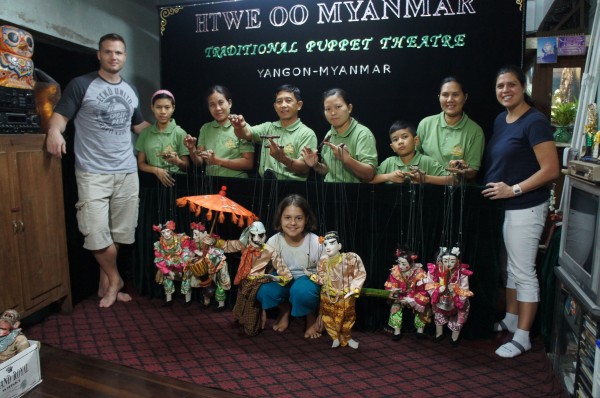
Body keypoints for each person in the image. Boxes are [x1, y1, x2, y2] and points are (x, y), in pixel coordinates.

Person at [45, 33, 150, 308]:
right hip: (93, 172)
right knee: (94, 232)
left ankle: (106, 284)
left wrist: (171, 133)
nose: (113, 57)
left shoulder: (131, 90)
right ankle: (116, 280)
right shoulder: (81, 85)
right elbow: (59, 119)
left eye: (118, 53)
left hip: (127, 171)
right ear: (99, 55)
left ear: (124, 57)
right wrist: (54, 132)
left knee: (121, 233)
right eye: (108, 52)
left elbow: (140, 127)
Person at [483, 65, 559, 358]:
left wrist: (512, 189)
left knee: (524, 272)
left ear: (523, 86)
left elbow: (551, 169)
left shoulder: (535, 121)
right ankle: (513, 320)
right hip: (506, 208)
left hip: (526, 207)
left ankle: (524, 336)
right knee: (511, 270)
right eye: (500, 86)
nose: (505, 91)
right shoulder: (502, 119)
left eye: (511, 85)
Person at [256, 194, 323, 338]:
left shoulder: (316, 242)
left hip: (307, 281)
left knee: (301, 291)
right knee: (263, 289)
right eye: (287, 217)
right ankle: (285, 309)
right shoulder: (274, 241)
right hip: (283, 279)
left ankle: (310, 316)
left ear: (306, 220)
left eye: (298, 218)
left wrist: (322, 313)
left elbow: (326, 274)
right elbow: (262, 270)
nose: (293, 223)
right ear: (280, 219)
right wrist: (261, 309)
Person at [229, 84, 317, 181]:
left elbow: (305, 168)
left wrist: (283, 158)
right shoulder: (267, 127)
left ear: (299, 105)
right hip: (265, 186)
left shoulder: (306, 133)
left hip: (292, 189)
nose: (283, 105)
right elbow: (246, 133)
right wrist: (239, 127)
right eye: (279, 101)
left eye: (288, 100)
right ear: (275, 107)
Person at [219, 221, 292, 336]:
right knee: (242, 298)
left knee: (252, 305)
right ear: (249, 235)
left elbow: (285, 272)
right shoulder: (244, 245)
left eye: (261, 235)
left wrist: (275, 278)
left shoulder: (270, 250)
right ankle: (244, 319)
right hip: (245, 279)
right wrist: (213, 241)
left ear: (265, 235)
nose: (257, 238)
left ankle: (253, 324)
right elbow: (227, 245)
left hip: (259, 280)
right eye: (253, 235)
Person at [301, 88, 378, 182]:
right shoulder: (329, 134)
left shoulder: (363, 134)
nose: (333, 113)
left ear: (349, 108)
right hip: (329, 192)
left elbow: (369, 175)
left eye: (338, 107)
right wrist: (315, 165)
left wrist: (347, 159)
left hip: (355, 194)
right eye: (328, 109)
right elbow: (328, 171)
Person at [416, 77, 485, 180]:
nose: (450, 100)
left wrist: (462, 171)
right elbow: (413, 157)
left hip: (456, 192)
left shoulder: (475, 131)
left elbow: (472, 172)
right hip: (424, 190)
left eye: (455, 95)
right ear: (439, 97)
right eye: (445, 95)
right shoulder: (425, 124)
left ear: (465, 97)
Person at [309, 231, 366, 349]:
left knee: (347, 318)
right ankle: (335, 337)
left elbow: (360, 273)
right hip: (327, 295)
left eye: (332, 243)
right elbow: (322, 279)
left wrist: (354, 289)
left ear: (339, 245)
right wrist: (311, 275)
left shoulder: (350, 258)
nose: (328, 247)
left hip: (345, 295)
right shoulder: (323, 261)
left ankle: (348, 338)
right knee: (328, 318)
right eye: (325, 244)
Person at [183, 85, 254, 178]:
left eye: (221, 103)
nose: (217, 108)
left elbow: (248, 163)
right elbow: (199, 162)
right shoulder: (205, 128)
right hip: (210, 183)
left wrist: (217, 161)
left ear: (229, 103)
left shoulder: (241, 126)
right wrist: (192, 149)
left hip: (237, 183)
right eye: (212, 105)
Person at [370, 120, 454, 185]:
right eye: (395, 139)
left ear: (416, 141)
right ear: (392, 147)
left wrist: (425, 178)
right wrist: (388, 177)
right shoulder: (388, 163)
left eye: (405, 137)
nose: (400, 142)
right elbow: (369, 179)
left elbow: (453, 180)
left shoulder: (426, 161)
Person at [136, 90, 189, 187]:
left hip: (175, 183)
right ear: (152, 107)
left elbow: (186, 167)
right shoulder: (145, 133)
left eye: (167, 107)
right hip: (151, 183)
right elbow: (141, 163)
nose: (163, 112)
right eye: (158, 107)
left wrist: (177, 161)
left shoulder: (180, 133)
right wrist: (156, 170)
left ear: (173, 108)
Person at [426, 247, 473, 346]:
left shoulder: (462, 272)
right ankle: (439, 334)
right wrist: (438, 289)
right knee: (438, 313)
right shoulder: (435, 270)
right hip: (441, 299)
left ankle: (454, 338)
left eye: (452, 261)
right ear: (441, 260)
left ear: (457, 261)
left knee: (459, 316)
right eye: (446, 261)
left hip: (456, 300)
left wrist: (455, 291)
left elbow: (465, 289)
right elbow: (429, 284)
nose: (448, 263)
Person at [384, 248, 430, 340]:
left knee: (422, 308)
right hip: (400, 294)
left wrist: (411, 299)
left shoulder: (419, 272)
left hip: (415, 295)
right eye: (399, 262)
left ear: (411, 263)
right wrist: (396, 292)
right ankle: (397, 331)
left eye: (403, 264)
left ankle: (420, 331)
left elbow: (422, 289)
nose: (400, 266)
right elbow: (391, 285)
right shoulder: (395, 271)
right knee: (395, 306)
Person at [152, 221, 196, 306]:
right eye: (163, 232)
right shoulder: (159, 245)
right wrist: (168, 272)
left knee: (186, 277)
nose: (166, 234)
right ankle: (169, 300)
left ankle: (188, 300)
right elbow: (159, 259)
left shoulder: (182, 239)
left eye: (168, 231)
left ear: (172, 230)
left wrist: (184, 266)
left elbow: (186, 253)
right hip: (168, 265)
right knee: (166, 278)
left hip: (182, 263)